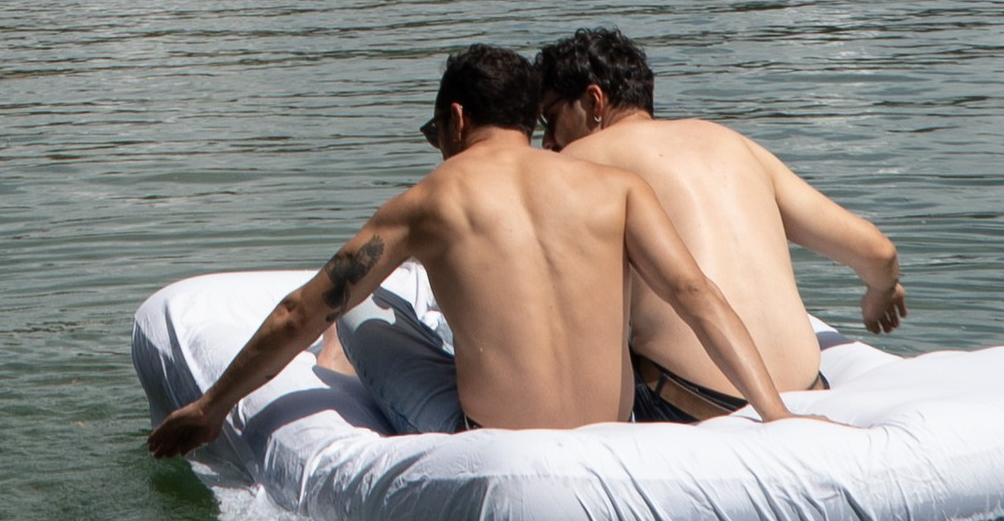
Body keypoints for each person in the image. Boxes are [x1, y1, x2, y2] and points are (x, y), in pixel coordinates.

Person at [145, 42, 808, 454]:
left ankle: (345, 378)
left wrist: (212, 408)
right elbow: (696, 296)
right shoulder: (617, 188)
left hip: (488, 442)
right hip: (617, 432)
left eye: (436, 128)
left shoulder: (430, 200)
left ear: (457, 119)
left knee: (357, 311)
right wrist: (777, 416)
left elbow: (298, 312)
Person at [536, 26, 904, 424]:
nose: (548, 142)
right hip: (810, 390)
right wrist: (881, 294)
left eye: (551, 117)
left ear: (594, 101)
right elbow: (878, 252)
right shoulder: (734, 144)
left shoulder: (577, 160)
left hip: (691, 404)